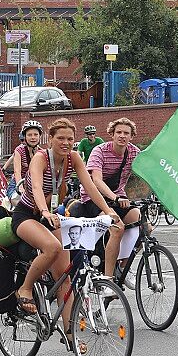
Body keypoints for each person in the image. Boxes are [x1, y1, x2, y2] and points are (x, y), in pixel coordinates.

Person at [12, 118, 119, 321]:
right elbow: (35, 187)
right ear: (50, 139)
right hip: (27, 214)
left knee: (64, 278)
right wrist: (43, 211)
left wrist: (107, 211)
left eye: (70, 139)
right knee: (53, 247)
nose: (66, 143)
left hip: (53, 216)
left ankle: (71, 337)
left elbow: (90, 186)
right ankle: (25, 289)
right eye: (60, 138)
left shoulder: (74, 158)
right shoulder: (41, 157)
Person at [74, 117, 142, 278]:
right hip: (93, 198)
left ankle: (124, 267)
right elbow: (96, 180)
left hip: (119, 196)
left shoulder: (134, 152)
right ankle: (108, 277)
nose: (122, 136)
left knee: (142, 225)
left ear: (132, 136)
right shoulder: (100, 151)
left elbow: (146, 174)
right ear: (112, 134)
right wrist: (116, 198)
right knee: (117, 227)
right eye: (118, 132)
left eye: (126, 133)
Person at [13, 120, 44, 190]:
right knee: (16, 199)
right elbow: (17, 171)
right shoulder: (19, 150)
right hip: (18, 183)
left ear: (40, 136)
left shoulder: (42, 152)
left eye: (36, 135)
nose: (33, 137)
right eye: (29, 135)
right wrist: (20, 187)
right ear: (25, 137)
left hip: (35, 183)